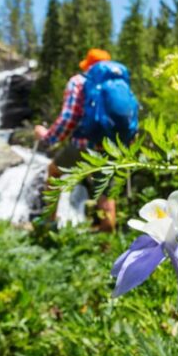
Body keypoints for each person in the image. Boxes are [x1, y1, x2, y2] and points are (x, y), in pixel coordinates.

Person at [34, 48, 118, 232]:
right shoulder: (116, 85)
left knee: (54, 172)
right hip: (111, 148)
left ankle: (49, 224)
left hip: (83, 145)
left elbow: (68, 117)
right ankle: (108, 243)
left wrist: (48, 137)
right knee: (105, 192)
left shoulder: (79, 81)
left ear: (87, 65)